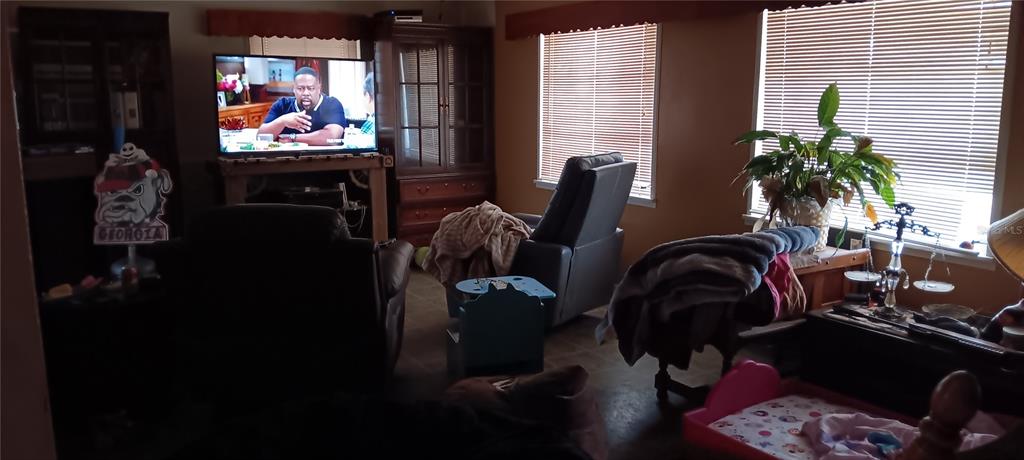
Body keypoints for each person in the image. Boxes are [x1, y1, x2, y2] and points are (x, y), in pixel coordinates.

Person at [258, 67, 344, 146]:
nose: (305, 93)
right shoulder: (282, 105)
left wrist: (292, 138)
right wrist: (282, 121)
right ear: (294, 89)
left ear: (319, 88)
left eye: (310, 88)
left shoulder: (332, 104)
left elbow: (332, 137)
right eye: (300, 88)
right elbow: (261, 137)